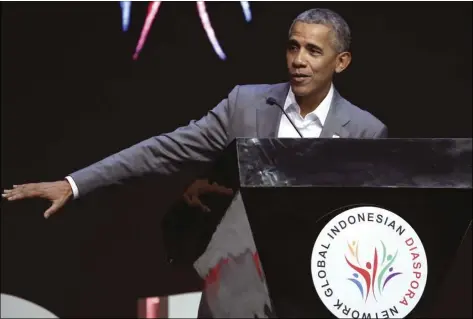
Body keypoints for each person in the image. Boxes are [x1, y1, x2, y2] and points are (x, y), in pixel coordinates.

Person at [3, 8, 387, 318]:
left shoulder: (366, 132)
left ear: (342, 61)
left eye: (313, 51)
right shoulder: (246, 105)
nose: (298, 61)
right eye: (293, 47)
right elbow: (164, 150)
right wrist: (73, 184)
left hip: (315, 300)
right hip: (235, 296)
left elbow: (369, 230)